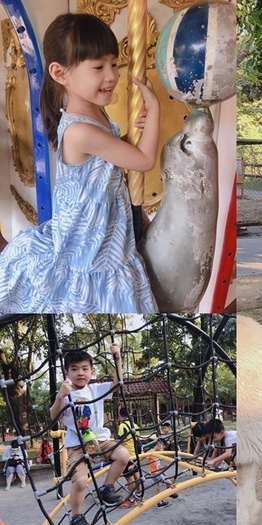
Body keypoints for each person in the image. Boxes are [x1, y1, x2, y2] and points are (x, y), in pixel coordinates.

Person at [0, 13, 160, 313]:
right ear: (61, 74)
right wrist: (155, 110)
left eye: (113, 63)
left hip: (107, 224)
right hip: (92, 244)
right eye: (98, 67)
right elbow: (144, 161)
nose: (111, 75)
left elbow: (111, 157)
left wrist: (130, 135)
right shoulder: (79, 130)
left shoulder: (96, 116)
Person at [50, 343, 130, 525]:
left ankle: (107, 488)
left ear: (92, 371)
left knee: (123, 454)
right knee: (80, 482)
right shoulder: (65, 395)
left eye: (85, 369)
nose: (80, 373)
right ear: (66, 372)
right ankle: (76, 517)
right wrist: (61, 395)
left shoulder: (96, 390)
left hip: (99, 440)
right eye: (75, 369)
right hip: (76, 445)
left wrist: (117, 358)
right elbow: (53, 416)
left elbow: (117, 383)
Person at [115, 407, 141, 507]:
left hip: (128, 455)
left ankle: (131, 499)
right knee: (136, 474)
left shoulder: (122, 426)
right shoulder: (134, 425)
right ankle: (138, 493)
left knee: (129, 477)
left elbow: (123, 442)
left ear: (120, 415)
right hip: (136, 454)